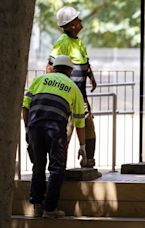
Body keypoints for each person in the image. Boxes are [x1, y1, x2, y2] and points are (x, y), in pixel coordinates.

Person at [22, 55, 86, 218]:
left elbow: (25, 106)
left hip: (35, 126)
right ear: (70, 70)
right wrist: (83, 146)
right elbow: (79, 121)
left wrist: (28, 129)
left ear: (54, 67)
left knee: (38, 166)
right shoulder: (73, 88)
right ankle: (50, 209)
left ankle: (37, 206)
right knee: (57, 169)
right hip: (55, 128)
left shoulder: (40, 80)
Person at [46, 6, 97, 168]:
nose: (81, 21)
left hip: (80, 96)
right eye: (77, 19)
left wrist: (91, 77)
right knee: (67, 130)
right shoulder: (63, 42)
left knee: (88, 127)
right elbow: (50, 67)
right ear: (71, 24)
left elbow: (85, 64)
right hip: (68, 97)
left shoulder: (78, 43)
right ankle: (59, 165)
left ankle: (88, 162)